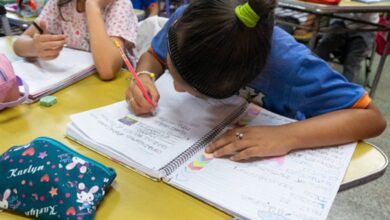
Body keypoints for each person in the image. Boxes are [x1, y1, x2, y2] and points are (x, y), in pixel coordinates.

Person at [125, 0, 386, 161]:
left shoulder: (291, 66)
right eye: (173, 74)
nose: (174, 88)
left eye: (188, 87)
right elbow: (154, 56)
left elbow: (371, 119)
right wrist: (146, 76)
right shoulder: (188, 22)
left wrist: (287, 137)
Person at [13, 0, 138, 80]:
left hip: (116, 90)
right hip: (76, 82)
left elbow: (108, 71)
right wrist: (33, 48)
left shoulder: (119, 4)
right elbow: (19, 44)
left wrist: (92, 5)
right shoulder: (60, 3)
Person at [314, 13, 379, 83]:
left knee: (353, 60)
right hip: (341, 21)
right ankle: (312, 79)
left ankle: (345, 90)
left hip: (366, 27)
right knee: (323, 45)